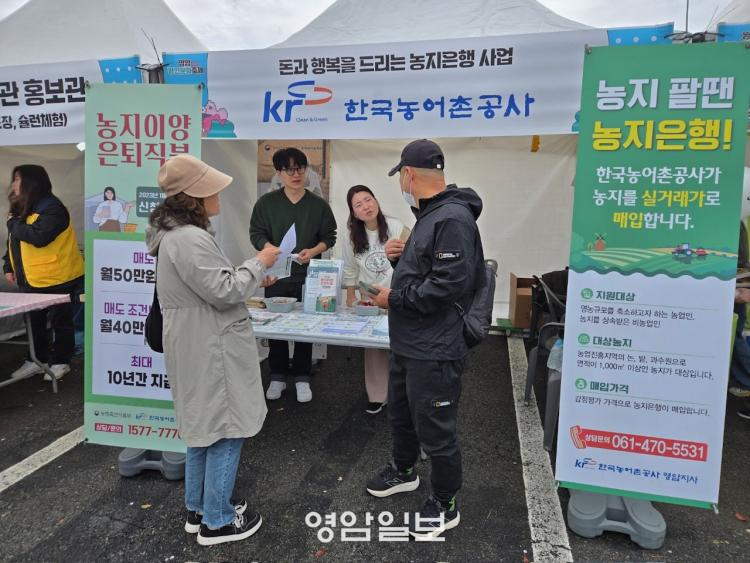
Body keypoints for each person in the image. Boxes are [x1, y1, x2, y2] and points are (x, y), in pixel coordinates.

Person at [145, 154, 280, 546]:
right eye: (213, 189)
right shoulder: (189, 238)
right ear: (195, 196)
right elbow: (225, 291)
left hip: (195, 341)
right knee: (226, 428)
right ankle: (217, 521)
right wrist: (258, 263)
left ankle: (199, 508)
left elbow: (211, 285)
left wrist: (250, 275)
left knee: (203, 427)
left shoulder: (173, 235)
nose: (219, 194)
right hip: (211, 345)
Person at [364, 139, 484, 539]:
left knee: (435, 427)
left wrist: (393, 298)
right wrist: (400, 259)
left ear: (408, 174)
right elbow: (431, 270)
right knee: (402, 414)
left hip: (435, 346)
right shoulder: (430, 215)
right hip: (410, 341)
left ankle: (445, 502)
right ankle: (404, 470)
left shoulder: (452, 218)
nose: (401, 184)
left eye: (400, 177)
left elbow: (449, 285)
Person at [250, 147, 337, 403]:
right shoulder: (266, 203)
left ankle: (302, 376)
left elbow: (329, 236)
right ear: (278, 173)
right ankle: (277, 375)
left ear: (306, 170)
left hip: (309, 276)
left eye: (300, 168)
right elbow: (256, 233)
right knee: (275, 325)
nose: (295, 174)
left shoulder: (318, 205)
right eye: (288, 169)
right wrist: (269, 248)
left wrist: (314, 251)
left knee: (304, 328)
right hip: (275, 275)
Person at [3, 164, 84, 381]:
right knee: (34, 322)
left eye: (17, 179)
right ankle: (37, 360)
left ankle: (61, 361)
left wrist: (12, 223)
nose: (13, 184)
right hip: (31, 279)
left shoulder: (53, 208)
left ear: (31, 182)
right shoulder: (23, 208)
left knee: (61, 322)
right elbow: (14, 243)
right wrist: (8, 266)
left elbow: (39, 237)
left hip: (58, 277)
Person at [342, 185, 404, 414]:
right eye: (358, 205)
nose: (366, 207)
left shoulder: (396, 226)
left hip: (396, 295)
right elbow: (350, 269)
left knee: (400, 344)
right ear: (354, 212)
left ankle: (402, 395)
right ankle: (377, 396)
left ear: (376, 200)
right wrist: (351, 295)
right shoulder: (351, 236)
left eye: (368, 200)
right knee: (374, 347)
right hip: (369, 298)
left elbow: (411, 260)